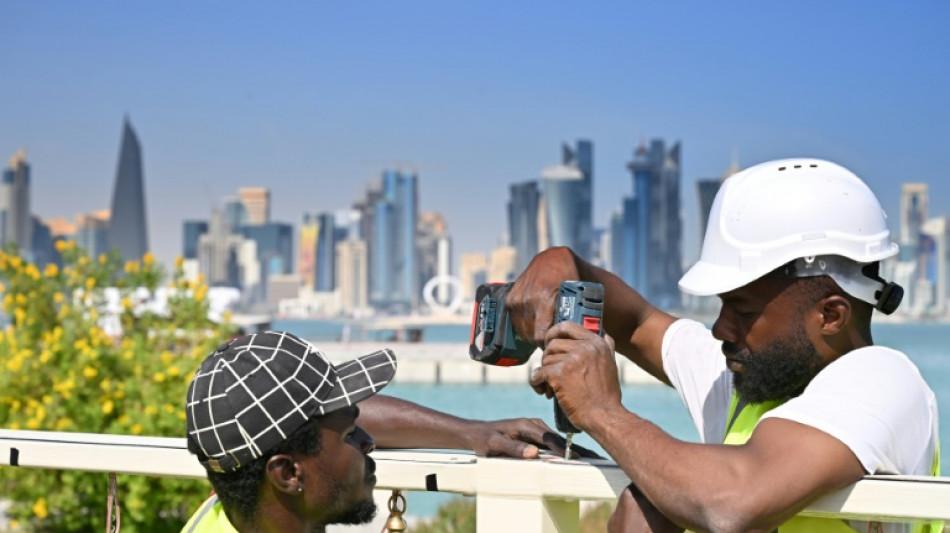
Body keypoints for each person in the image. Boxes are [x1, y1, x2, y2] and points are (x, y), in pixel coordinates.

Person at [509, 158, 941, 532]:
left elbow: (732, 503)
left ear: (830, 315)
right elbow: (639, 323)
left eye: (744, 312)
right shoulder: (752, 378)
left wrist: (603, 412)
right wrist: (564, 263)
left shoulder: (882, 382)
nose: (719, 329)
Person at [181, 330, 580, 532]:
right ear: (287, 474)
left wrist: (469, 432)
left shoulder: (233, 497)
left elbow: (314, 427)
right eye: (351, 433)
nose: (368, 440)